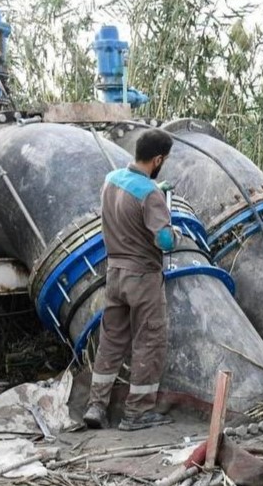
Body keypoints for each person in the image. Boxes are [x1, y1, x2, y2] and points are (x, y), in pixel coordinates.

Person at [83, 129, 179, 431]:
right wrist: (174, 231)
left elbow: (130, 199)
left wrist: (153, 189)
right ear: (158, 159)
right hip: (143, 278)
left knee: (111, 341)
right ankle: (137, 413)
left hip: (114, 274)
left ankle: (96, 405)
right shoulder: (150, 195)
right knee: (149, 341)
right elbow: (164, 240)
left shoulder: (111, 181)